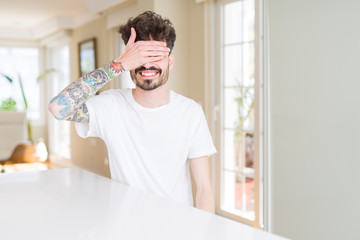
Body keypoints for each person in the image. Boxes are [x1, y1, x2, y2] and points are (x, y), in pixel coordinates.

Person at [48, 11, 216, 213]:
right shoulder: (111, 106)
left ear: (170, 61)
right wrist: (116, 65)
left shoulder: (191, 112)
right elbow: (58, 108)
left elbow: (204, 189)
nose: (147, 65)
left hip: (177, 228)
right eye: (139, 57)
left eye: (154, 56)